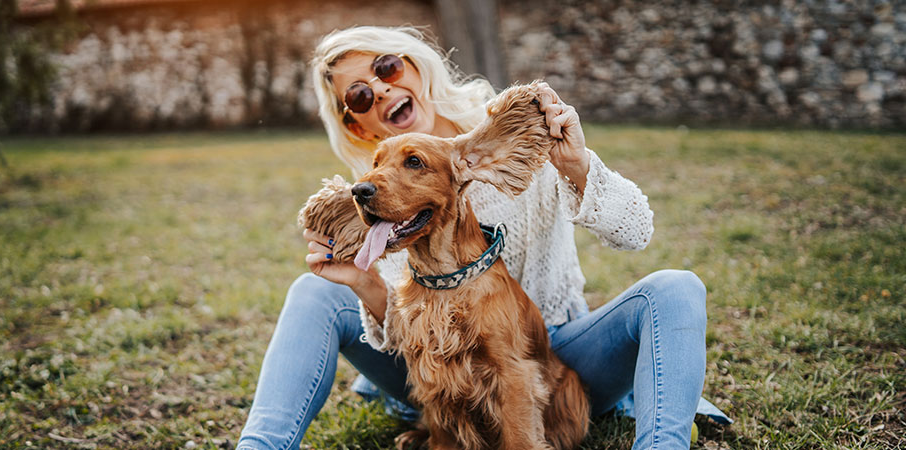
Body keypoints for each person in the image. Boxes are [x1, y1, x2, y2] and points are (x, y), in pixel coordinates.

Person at [237, 26, 728, 450]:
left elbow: (637, 232)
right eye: (360, 96)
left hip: (556, 349)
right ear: (356, 122)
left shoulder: (519, 144)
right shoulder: (377, 194)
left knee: (676, 287)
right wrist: (364, 282)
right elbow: (404, 336)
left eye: (386, 69)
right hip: (430, 363)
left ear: (416, 68)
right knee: (311, 290)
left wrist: (576, 165)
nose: (381, 92)